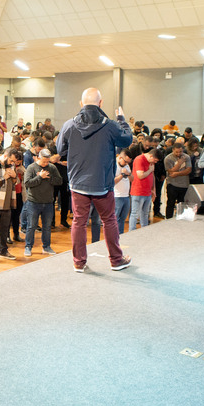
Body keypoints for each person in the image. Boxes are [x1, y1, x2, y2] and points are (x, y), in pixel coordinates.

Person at [57, 88, 134, 273]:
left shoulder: (69, 125)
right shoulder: (110, 125)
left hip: (78, 184)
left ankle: (78, 262)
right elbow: (127, 140)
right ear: (101, 103)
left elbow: (61, 150)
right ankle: (116, 260)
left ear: (81, 104)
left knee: (79, 222)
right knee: (109, 220)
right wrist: (122, 120)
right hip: (102, 184)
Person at [23, 148, 62, 256]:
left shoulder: (52, 167)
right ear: (38, 158)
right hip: (33, 202)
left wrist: (48, 178)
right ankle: (28, 247)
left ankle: (46, 247)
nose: (45, 163)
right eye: (43, 161)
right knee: (31, 226)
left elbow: (59, 181)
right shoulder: (31, 168)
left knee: (47, 226)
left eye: (47, 161)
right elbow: (27, 183)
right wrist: (39, 177)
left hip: (48, 202)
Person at [128, 144, 156, 231]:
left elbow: (152, 176)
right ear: (151, 156)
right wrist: (150, 170)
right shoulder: (139, 159)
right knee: (135, 213)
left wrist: (153, 189)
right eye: (155, 160)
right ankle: (132, 232)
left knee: (145, 213)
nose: (155, 162)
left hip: (147, 192)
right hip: (138, 191)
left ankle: (144, 231)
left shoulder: (150, 162)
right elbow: (140, 175)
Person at [163, 141, 192, 218]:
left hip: (184, 184)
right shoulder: (168, 158)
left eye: (180, 152)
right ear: (173, 150)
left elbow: (188, 170)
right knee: (170, 203)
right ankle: (168, 219)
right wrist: (179, 163)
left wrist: (177, 173)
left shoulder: (187, 157)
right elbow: (170, 171)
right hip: (172, 184)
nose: (179, 154)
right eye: (176, 152)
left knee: (182, 203)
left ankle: (181, 218)